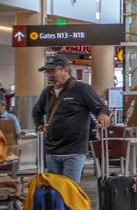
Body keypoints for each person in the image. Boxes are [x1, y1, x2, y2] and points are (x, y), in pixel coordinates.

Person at [32, 55, 110, 187]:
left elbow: (101, 108)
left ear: (65, 70)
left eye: (53, 71)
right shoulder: (47, 92)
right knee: (54, 190)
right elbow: (36, 112)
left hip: (74, 150)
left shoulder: (82, 89)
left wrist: (103, 115)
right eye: (47, 72)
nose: (49, 75)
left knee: (70, 190)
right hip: (52, 150)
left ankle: (72, 209)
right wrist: (39, 126)